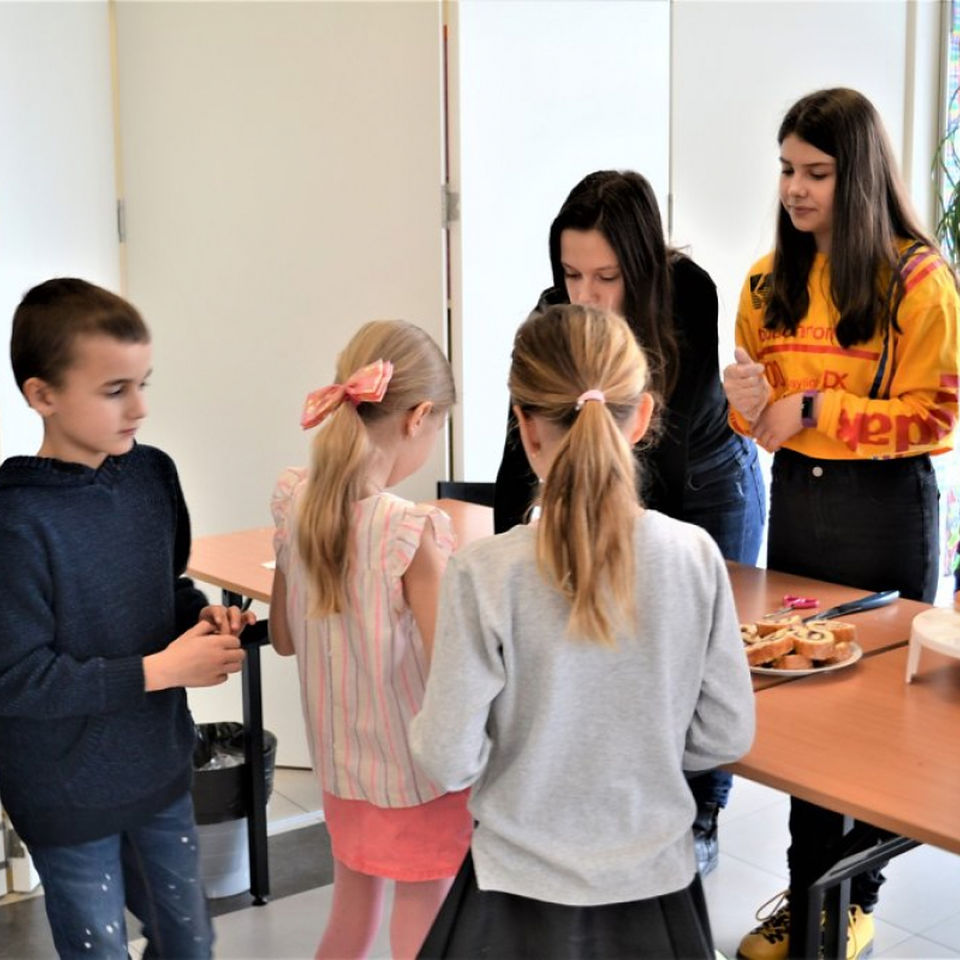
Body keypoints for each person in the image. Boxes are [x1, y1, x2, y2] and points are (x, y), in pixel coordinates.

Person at [410, 304, 755, 960]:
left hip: (512, 898)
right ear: (644, 416)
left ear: (525, 427)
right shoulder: (695, 556)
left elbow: (447, 758)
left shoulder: (484, 571)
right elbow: (724, 735)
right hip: (656, 894)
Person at [723, 88, 960, 960]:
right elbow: (757, 420)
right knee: (807, 717)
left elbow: (935, 419)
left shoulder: (919, 280)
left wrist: (816, 405)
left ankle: (853, 898)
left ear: (858, 177)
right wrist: (744, 404)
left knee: (870, 729)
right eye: (787, 169)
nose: (795, 189)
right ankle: (807, 897)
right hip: (801, 503)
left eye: (816, 173)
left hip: (886, 509)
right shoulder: (763, 280)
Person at [493, 169, 765, 875]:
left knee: (702, 643)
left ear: (640, 266)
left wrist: (630, 540)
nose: (584, 295)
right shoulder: (555, 309)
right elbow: (521, 437)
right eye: (571, 273)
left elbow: (663, 456)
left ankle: (702, 810)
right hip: (632, 479)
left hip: (703, 483)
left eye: (606, 277)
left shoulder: (689, 294)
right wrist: (509, 547)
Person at [0, 278, 253, 959]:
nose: (139, 407)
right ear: (42, 395)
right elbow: (18, 679)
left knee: (189, 942)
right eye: (115, 390)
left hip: (159, 771)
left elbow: (163, 588)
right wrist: (161, 670)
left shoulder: (152, 476)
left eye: (144, 382)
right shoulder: (16, 519)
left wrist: (202, 622)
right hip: (64, 795)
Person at [268, 320, 473, 960]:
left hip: (342, 771)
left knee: (352, 915)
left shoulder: (296, 500)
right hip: (415, 778)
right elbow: (453, 677)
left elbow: (281, 637)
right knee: (422, 921)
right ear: (418, 417)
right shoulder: (409, 531)